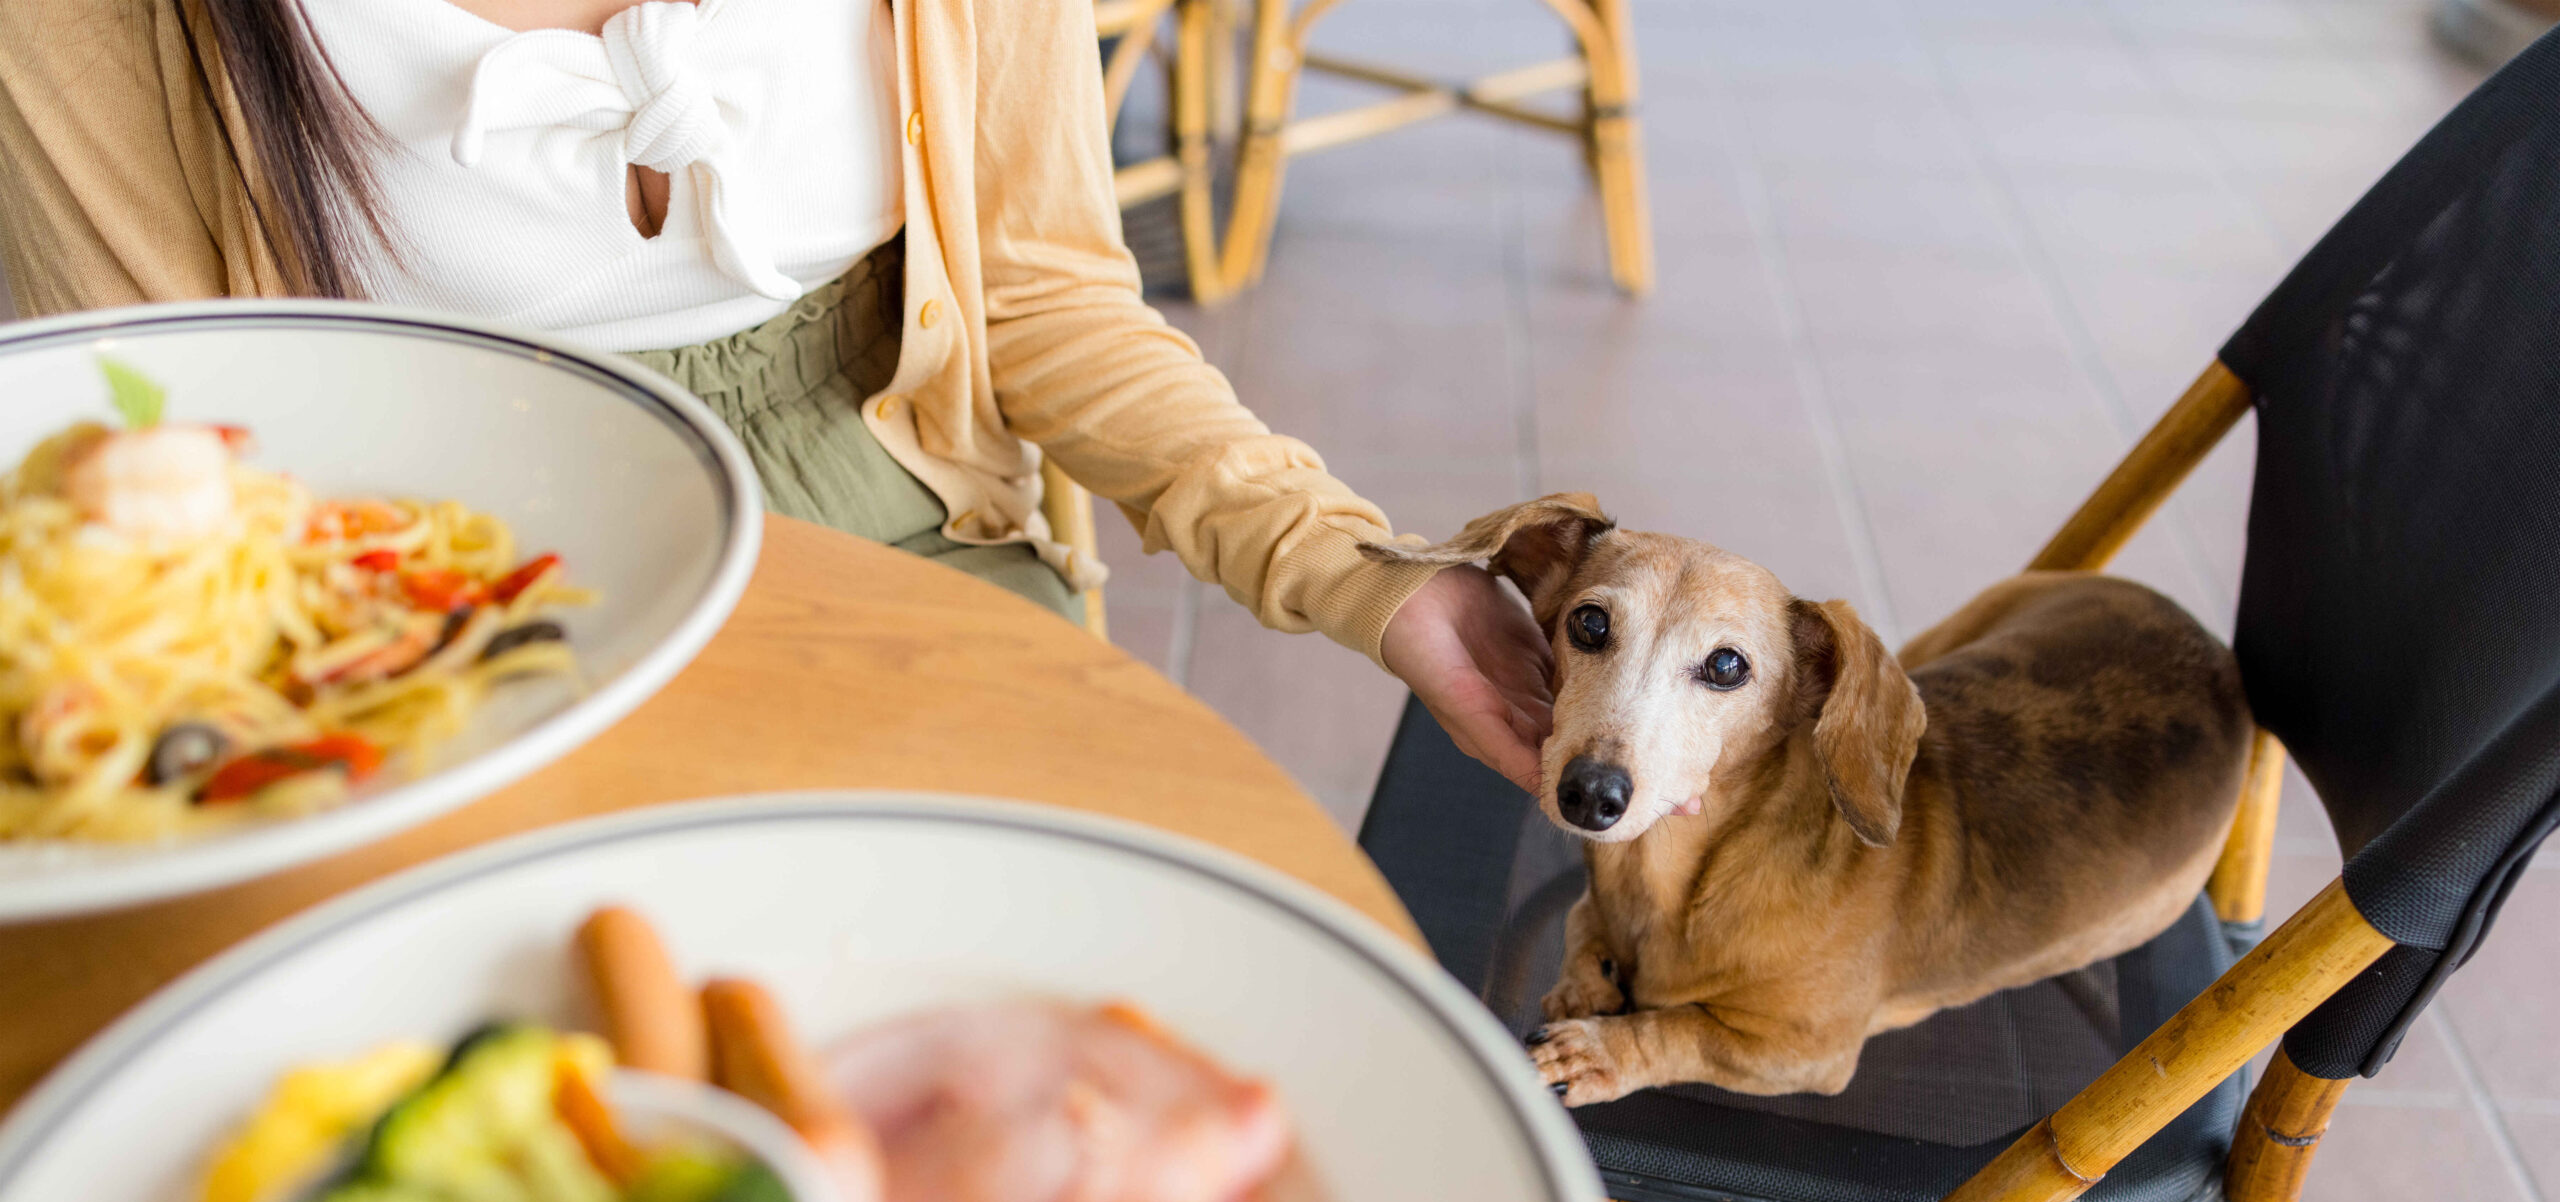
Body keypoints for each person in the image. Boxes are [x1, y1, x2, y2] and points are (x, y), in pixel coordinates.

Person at [0, 0, 1553, 791]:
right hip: (438, 618)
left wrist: (1365, 580)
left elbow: (1044, 297)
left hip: (906, 551)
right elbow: (188, 436)